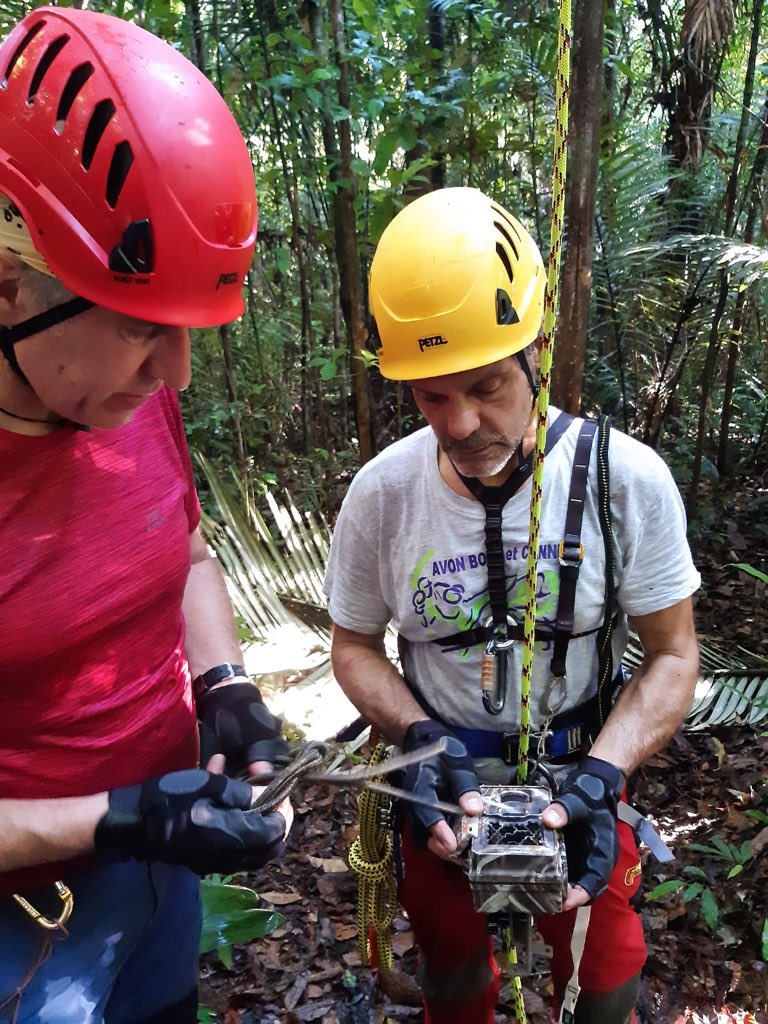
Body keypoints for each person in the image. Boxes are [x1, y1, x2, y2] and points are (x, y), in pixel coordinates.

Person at [324, 187, 701, 1024]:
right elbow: (352, 646)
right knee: (455, 979)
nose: (461, 424)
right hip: (441, 796)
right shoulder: (384, 495)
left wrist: (606, 775)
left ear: (535, 348)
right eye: (429, 396)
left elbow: (674, 654)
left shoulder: (621, 480)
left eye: (488, 386)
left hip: (581, 777)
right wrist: (419, 742)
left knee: (604, 973)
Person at [0, 7, 292, 1023]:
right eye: (140, 331)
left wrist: (225, 686)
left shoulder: (123, 389)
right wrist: (116, 820)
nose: (176, 373)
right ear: (7, 287)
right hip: (25, 934)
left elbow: (190, 551)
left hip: (157, 874)